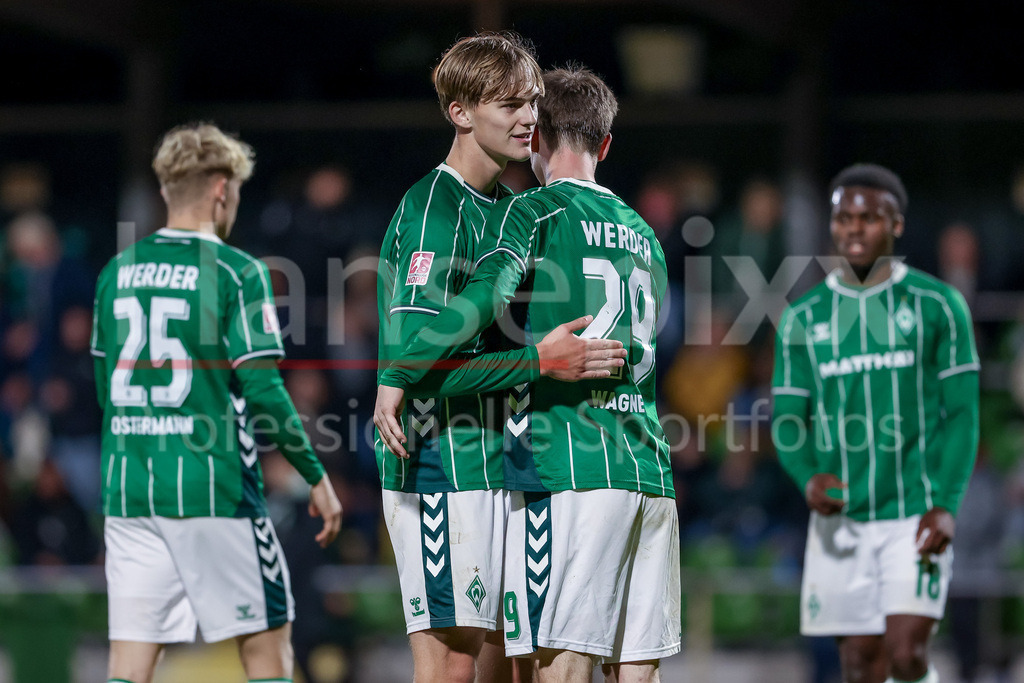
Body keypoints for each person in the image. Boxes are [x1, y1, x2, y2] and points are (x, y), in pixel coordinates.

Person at [376, 65, 680, 683]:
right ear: (606, 144)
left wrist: (400, 370)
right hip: (642, 468)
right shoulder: (646, 233)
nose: (520, 121)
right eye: (508, 104)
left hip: (565, 469)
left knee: (539, 671)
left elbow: (486, 300)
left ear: (538, 136)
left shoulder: (533, 210)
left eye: (527, 110)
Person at [91, 122, 342, 683]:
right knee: (267, 649)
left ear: (165, 190)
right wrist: (314, 475)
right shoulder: (236, 272)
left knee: (129, 664)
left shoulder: (115, 274)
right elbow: (262, 389)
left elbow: (106, 392)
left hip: (129, 489)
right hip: (213, 487)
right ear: (222, 189)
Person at [771, 163, 980, 683]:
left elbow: (962, 414)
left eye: (869, 218)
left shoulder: (938, 305)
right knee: (860, 664)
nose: (854, 228)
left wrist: (947, 504)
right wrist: (808, 477)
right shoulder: (803, 318)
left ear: (897, 225)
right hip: (842, 521)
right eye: (844, 218)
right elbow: (788, 420)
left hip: (914, 516)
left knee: (906, 655)